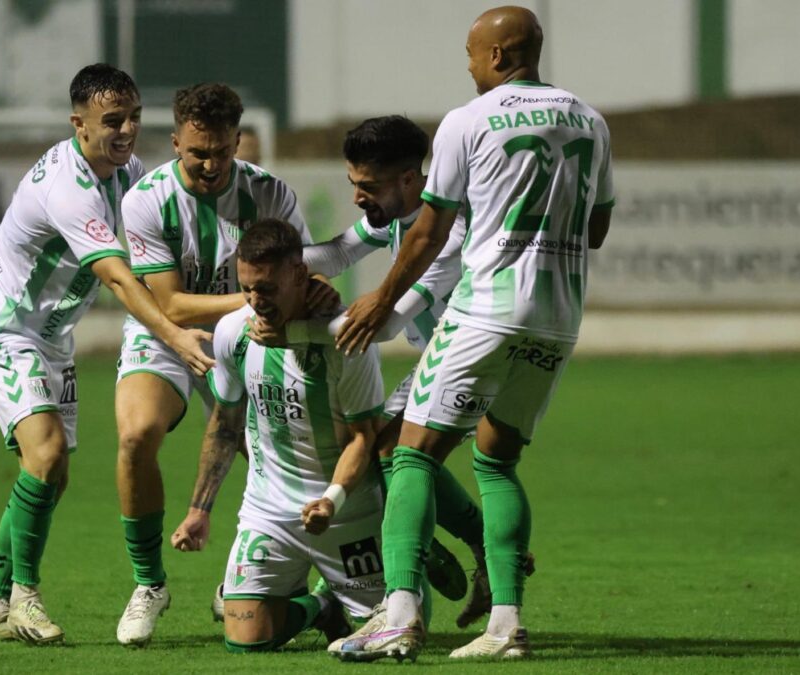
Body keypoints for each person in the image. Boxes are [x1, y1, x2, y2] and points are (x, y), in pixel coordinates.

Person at [330, 6, 614, 661]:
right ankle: (507, 623)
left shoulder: (468, 119)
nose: (466, 65)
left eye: (468, 52)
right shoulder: (592, 122)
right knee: (495, 460)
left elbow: (429, 232)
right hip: (560, 314)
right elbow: (596, 229)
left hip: (488, 306)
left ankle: (399, 612)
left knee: (412, 452)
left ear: (495, 54)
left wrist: (381, 299)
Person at [0, 64, 212, 645]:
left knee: (49, 475)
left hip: (52, 338)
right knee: (46, 456)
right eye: (111, 120)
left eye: (133, 117)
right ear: (77, 123)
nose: (126, 130)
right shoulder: (68, 188)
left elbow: (153, 248)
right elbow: (120, 279)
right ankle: (25, 599)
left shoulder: (127, 171)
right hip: (9, 331)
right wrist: (174, 334)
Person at [256, 115, 534, 623]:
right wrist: (286, 271)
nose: (359, 196)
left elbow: (383, 325)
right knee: (384, 450)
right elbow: (339, 252)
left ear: (409, 179)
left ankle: (411, 577)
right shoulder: (397, 217)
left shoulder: (450, 232)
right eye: (353, 185)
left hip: (477, 360)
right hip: (446, 356)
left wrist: (292, 331)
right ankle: (462, 560)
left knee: (392, 452)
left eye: (368, 186)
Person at [112, 83, 327, 647]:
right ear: (176, 140)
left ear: (238, 140)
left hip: (247, 334)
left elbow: (303, 275)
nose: (210, 165)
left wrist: (304, 294)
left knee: (277, 455)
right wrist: (261, 296)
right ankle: (148, 584)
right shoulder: (146, 199)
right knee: (136, 436)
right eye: (197, 152)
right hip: (165, 334)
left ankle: (244, 576)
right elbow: (171, 304)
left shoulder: (271, 194)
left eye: (223, 152)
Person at [170, 219, 387, 653]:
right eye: (247, 288)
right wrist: (199, 509)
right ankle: (322, 606)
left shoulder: (346, 339)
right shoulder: (235, 331)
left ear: (299, 275)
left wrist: (331, 500)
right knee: (244, 638)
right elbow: (226, 423)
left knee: (387, 629)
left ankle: (389, 575)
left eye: (266, 289)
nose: (255, 301)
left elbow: (363, 438)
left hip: (346, 512)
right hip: (268, 510)